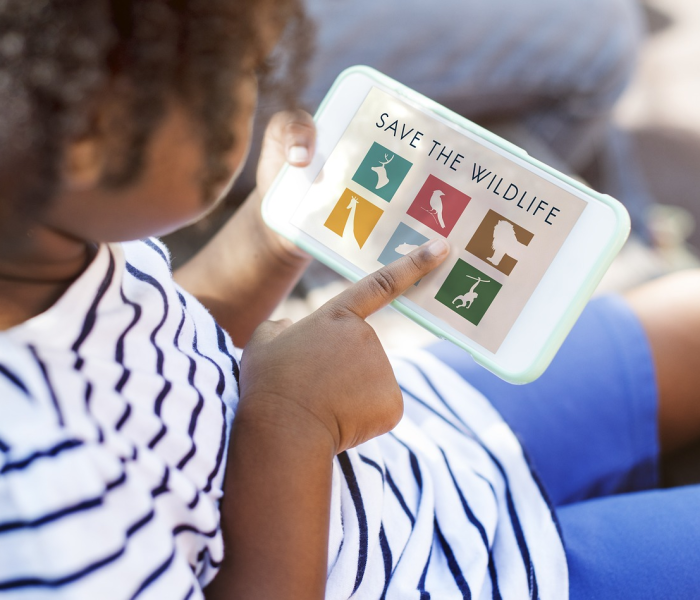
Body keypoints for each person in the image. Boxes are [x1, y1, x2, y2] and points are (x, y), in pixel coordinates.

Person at [1, 2, 700, 600]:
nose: (255, 95)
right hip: (460, 576)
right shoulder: (37, 492)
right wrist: (293, 423)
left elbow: (162, 341)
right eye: (242, 73)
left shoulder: (45, 246)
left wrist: (271, 237)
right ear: (92, 136)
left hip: (422, 445)